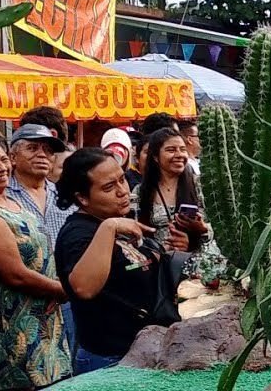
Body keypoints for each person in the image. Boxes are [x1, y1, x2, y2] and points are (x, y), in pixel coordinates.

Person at [54, 148, 187, 374]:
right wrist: (109, 227)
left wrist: (171, 251)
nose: (122, 191)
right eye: (109, 187)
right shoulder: (78, 234)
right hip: (110, 361)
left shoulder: (117, 220)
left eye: (122, 179)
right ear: (82, 198)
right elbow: (83, 288)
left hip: (145, 354)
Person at [0, 134, 71, 388]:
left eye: (4, 160)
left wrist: (55, 289)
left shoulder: (12, 202)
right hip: (12, 326)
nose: (2, 168)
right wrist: (63, 290)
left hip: (43, 317)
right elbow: (16, 275)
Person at [7, 124, 79, 360]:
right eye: (32, 148)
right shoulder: (1, 196)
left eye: (48, 150)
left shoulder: (65, 196)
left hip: (67, 298)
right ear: (12, 157)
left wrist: (64, 288)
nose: (42, 155)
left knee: (67, 367)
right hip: (21, 301)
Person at [134, 129, 207, 254]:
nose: (179, 155)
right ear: (156, 157)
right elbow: (135, 232)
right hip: (158, 259)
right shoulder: (141, 191)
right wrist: (160, 250)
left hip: (198, 259)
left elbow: (220, 227)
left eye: (182, 150)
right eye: (171, 150)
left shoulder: (200, 185)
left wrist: (201, 229)